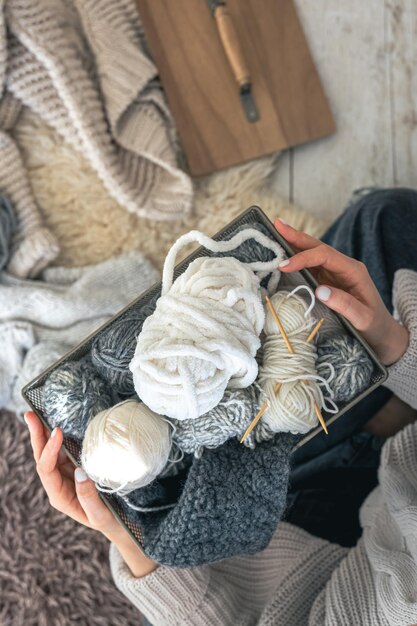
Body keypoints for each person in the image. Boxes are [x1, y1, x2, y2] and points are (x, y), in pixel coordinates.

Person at [25, 189, 417, 625]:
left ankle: (376, 418)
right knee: (388, 219)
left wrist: (124, 535)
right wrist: (395, 347)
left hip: (287, 521)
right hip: (395, 483)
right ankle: (387, 413)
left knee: (374, 234)